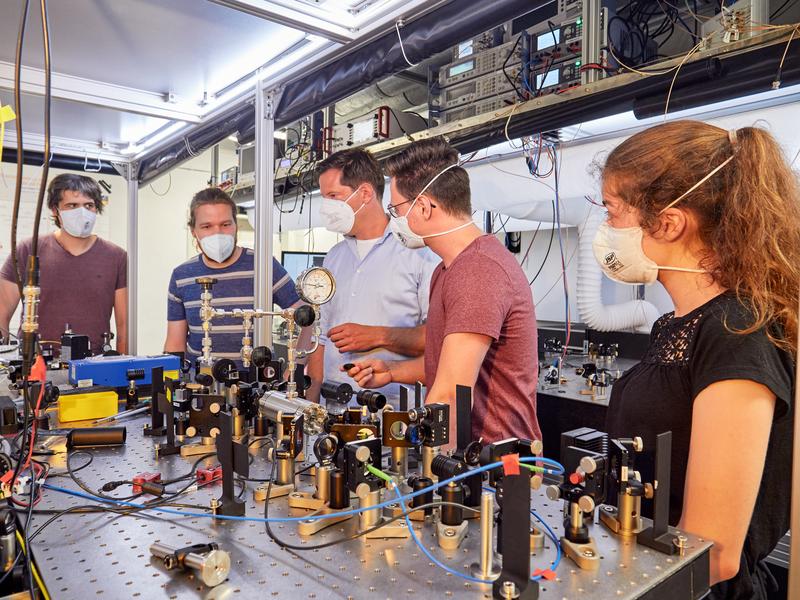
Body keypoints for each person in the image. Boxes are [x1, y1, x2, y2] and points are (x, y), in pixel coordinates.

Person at [593, 120, 796, 599]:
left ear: (668, 222)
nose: (605, 230)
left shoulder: (737, 331)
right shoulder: (675, 324)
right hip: (637, 571)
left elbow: (713, 552)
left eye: (612, 211)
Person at [346, 137, 541, 445]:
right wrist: (393, 371)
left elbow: (451, 393)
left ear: (423, 207)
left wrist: (427, 475)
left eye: (396, 209)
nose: (394, 220)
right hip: (471, 455)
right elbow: (447, 363)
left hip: (496, 464)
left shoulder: (478, 271)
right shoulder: (448, 268)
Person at [305, 148, 438, 404]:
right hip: (333, 407)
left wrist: (377, 335)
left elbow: (437, 339)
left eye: (333, 196)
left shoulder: (419, 254)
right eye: (324, 198)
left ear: (365, 193)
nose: (326, 207)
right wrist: (311, 403)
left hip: (391, 412)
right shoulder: (334, 256)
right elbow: (320, 337)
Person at [164, 188, 305, 367]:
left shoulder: (263, 266)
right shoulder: (181, 276)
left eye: (225, 224)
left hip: (257, 385)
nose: (218, 233)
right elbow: (175, 343)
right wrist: (172, 384)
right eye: (207, 226)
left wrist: (295, 370)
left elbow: (306, 318)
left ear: (236, 225)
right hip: (201, 385)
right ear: (194, 231)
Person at [0, 174, 127, 354]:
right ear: (55, 210)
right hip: (35, 365)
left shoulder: (117, 257)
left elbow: (124, 328)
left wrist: (122, 369)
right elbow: (1, 316)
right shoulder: (29, 249)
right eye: (72, 205)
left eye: (89, 205)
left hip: (94, 366)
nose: (82, 212)